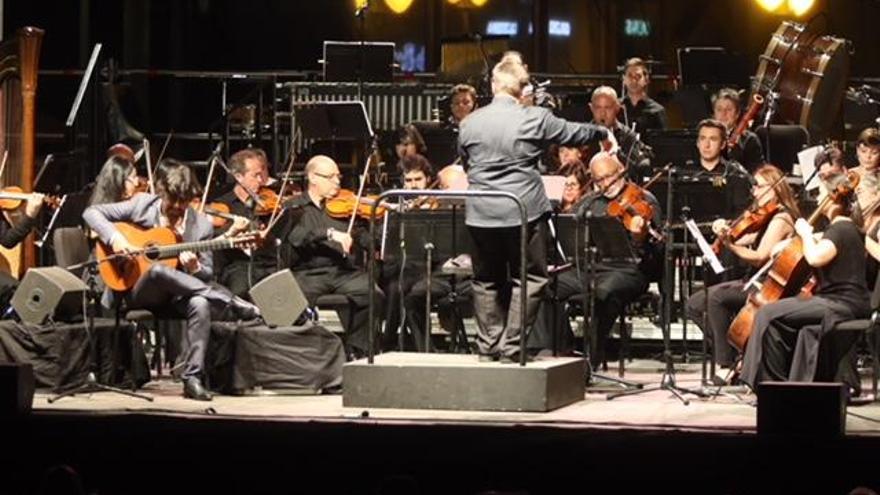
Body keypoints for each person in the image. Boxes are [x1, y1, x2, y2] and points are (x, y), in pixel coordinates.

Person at [458, 58, 616, 362]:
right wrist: (602, 133)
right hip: (522, 212)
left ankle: (488, 346)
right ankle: (513, 347)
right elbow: (573, 133)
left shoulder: (469, 122)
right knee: (529, 278)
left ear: (493, 86)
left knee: (485, 278)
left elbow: (466, 161)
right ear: (522, 90)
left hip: (480, 213)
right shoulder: (534, 117)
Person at [82, 159, 260, 401]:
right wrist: (116, 239)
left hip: (177, 295)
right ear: (162, 192)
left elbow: (207, 273)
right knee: (156, 271)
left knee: (200, 303)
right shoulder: (142, 205)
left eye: (183, 201)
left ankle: (192, 378)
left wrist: (195, 268)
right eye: (172, 200)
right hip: (136, 289)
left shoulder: (201, 226)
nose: (176, 206)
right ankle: (229, 301)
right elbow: (91, 213)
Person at [740, 170, 869, 393]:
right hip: (837, 302)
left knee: (767, 313)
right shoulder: (843, 229)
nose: (817, 199)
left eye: (820, 194)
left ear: (833, 198)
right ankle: (780, 384)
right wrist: (793, 242)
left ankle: (764, 384)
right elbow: (803, 247)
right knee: (778, 322)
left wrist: (806, 233)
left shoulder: (842, 229)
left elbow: (815, 257)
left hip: (842, 304)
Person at [685, 164, 799, 378]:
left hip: (768, 285)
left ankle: (725, 364)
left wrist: (729, 245)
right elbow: (743, 237)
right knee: (694, 304)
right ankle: (739, 352)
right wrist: (724, 230)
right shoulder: (766, 216)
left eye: (759, 186)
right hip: (753, 280)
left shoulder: (781, 219)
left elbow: (759, 257)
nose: (754, 191)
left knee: (716, 298)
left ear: (774, 189)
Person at [283, 155, 384, 357]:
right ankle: (306, 355)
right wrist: (329, 233)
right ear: (313, 178)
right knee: (292, 301)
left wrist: (379, 236)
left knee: (373, 293)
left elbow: (361, 236)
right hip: (308, 273)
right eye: (331, 177)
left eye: (338, 176)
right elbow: (298, 237)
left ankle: (357, 350)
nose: (337, 181)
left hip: (342, 271)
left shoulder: (346, 205)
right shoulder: (294, 207)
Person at [575, 152, 663, 366]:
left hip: (631, 271)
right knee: (548, 285)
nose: (607, 183)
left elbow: (657, 253)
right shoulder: (588, 203)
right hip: (594, 267)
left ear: (621, 169)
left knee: (604, 292)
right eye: (599, 180)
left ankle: (589, 360)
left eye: (610, 176)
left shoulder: (645, 200)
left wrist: (639, 238)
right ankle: (562, 351)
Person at [212, 148, 284, 299]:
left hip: (268, 264)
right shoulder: (222, 204)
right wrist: (234, 231)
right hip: (237, 266)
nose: (261, 180)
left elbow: (283, 234)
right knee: (240, 291)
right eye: (255, 175)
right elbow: (214, 237)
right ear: (238, 177)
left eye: (262, 174)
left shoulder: (270, 202)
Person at [587, 85, 652, 177]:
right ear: (591, 108)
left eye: (607, 108)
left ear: (617, 107)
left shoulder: (628, 136)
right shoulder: (583, 135)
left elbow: (637, 169)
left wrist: (617, 152)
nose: (602, 113)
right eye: (598, 108)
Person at [711, 88, 764, 172]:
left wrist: (736, 154)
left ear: (737, 114)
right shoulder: (705, 137)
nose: (723, 114)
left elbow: (757, 173)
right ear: (714, 114)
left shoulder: (749, 139)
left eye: (729, 109)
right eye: (719, 109)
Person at [620, 57, 667, 132]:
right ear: (624, 79)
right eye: (630, 76)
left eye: (638, 76)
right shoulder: (616, 108)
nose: (634, 80)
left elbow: (661, 141)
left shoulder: (657, 110)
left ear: (646, 80)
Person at [850, 127, 880, 232]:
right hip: (849, 228)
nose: (868, 156)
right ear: (857, 150)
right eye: (863, 151)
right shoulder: (848, 175)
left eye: (874, 152)